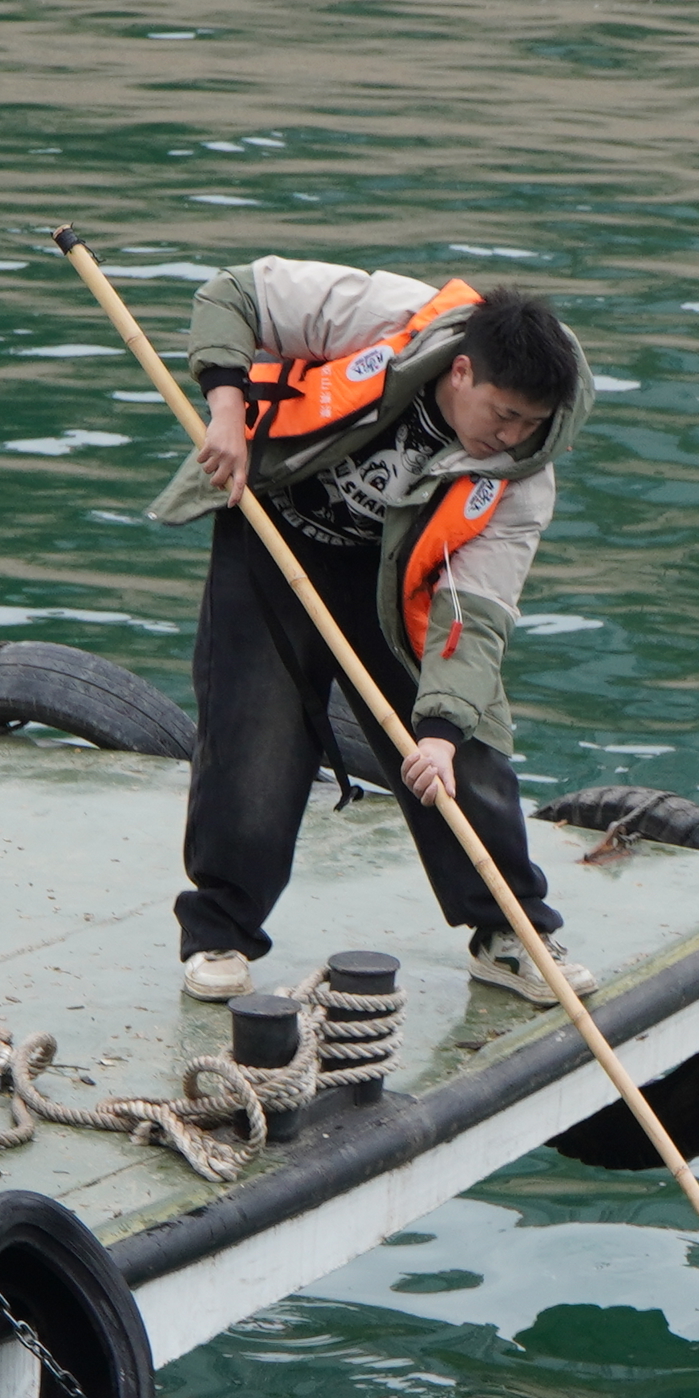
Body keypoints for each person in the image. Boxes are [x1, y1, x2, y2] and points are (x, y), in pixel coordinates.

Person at [152, 255, 596, 1006]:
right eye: (503, 414)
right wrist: (227, 412)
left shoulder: (521, 478)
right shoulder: (386, 313)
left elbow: (477, 617)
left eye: (532, 423)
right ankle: (219, 930)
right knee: (252, 730)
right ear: (460, 373)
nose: (512, 436)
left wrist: (442, 733)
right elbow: (234, 293)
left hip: (393, 581)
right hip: (275, 528)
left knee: (466, 754)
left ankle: (507, 934)